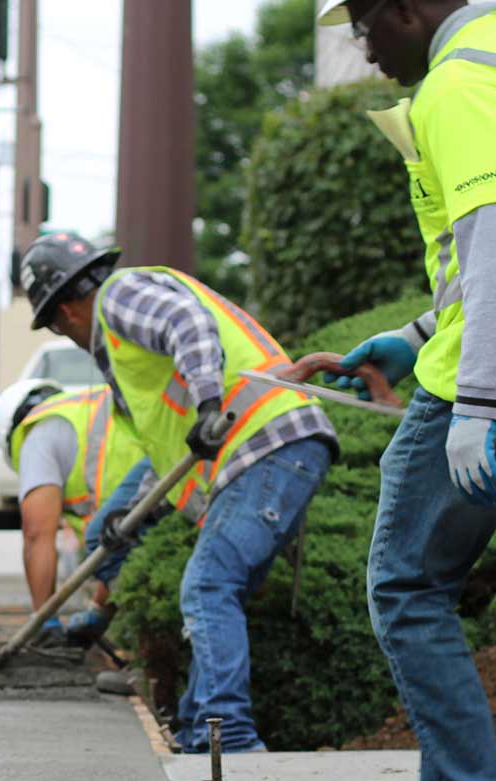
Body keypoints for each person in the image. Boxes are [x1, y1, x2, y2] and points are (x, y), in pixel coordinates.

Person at [19, 231, 339, 754]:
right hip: (264, 449)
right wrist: (130, 515)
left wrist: (209, 404)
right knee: (114, 538)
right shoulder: (125, 353)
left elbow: (188, 324)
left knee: (208, 588)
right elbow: (170, 446)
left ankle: (229, 740)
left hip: (266, 442)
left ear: (63, 314)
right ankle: (195, 733)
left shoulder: (118, 299)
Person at [318, 0, 496, 781]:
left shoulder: (459, 81)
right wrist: (417, 328)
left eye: (364, 22)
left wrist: (479, 400)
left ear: (406, 8)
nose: (363, 46)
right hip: (469, 356)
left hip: (480, 385)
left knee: (407, 586)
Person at [0, 378, 146, 645]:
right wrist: (98, 611)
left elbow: (37, 534)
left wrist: (44, 619)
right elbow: (117, 545)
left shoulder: (36, 435)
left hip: (148, 493)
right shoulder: (86, 410)